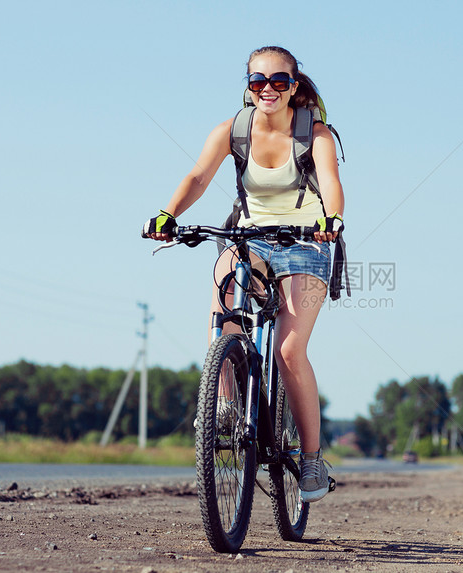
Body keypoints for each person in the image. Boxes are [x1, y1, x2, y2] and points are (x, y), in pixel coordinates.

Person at [144, 46, 344, 503]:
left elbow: (331, 184)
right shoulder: (231, 131)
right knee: (224, 306)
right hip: (250, 239)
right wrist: (167, 214)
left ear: (294, 87)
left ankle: (311, 458)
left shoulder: (315, 134)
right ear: (248, 87)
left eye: (278, 81)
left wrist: (330, 219)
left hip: (307, 242)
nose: (268, 89)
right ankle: (228, 406)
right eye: (258, 81)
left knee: (290, 350)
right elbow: (198, 177)